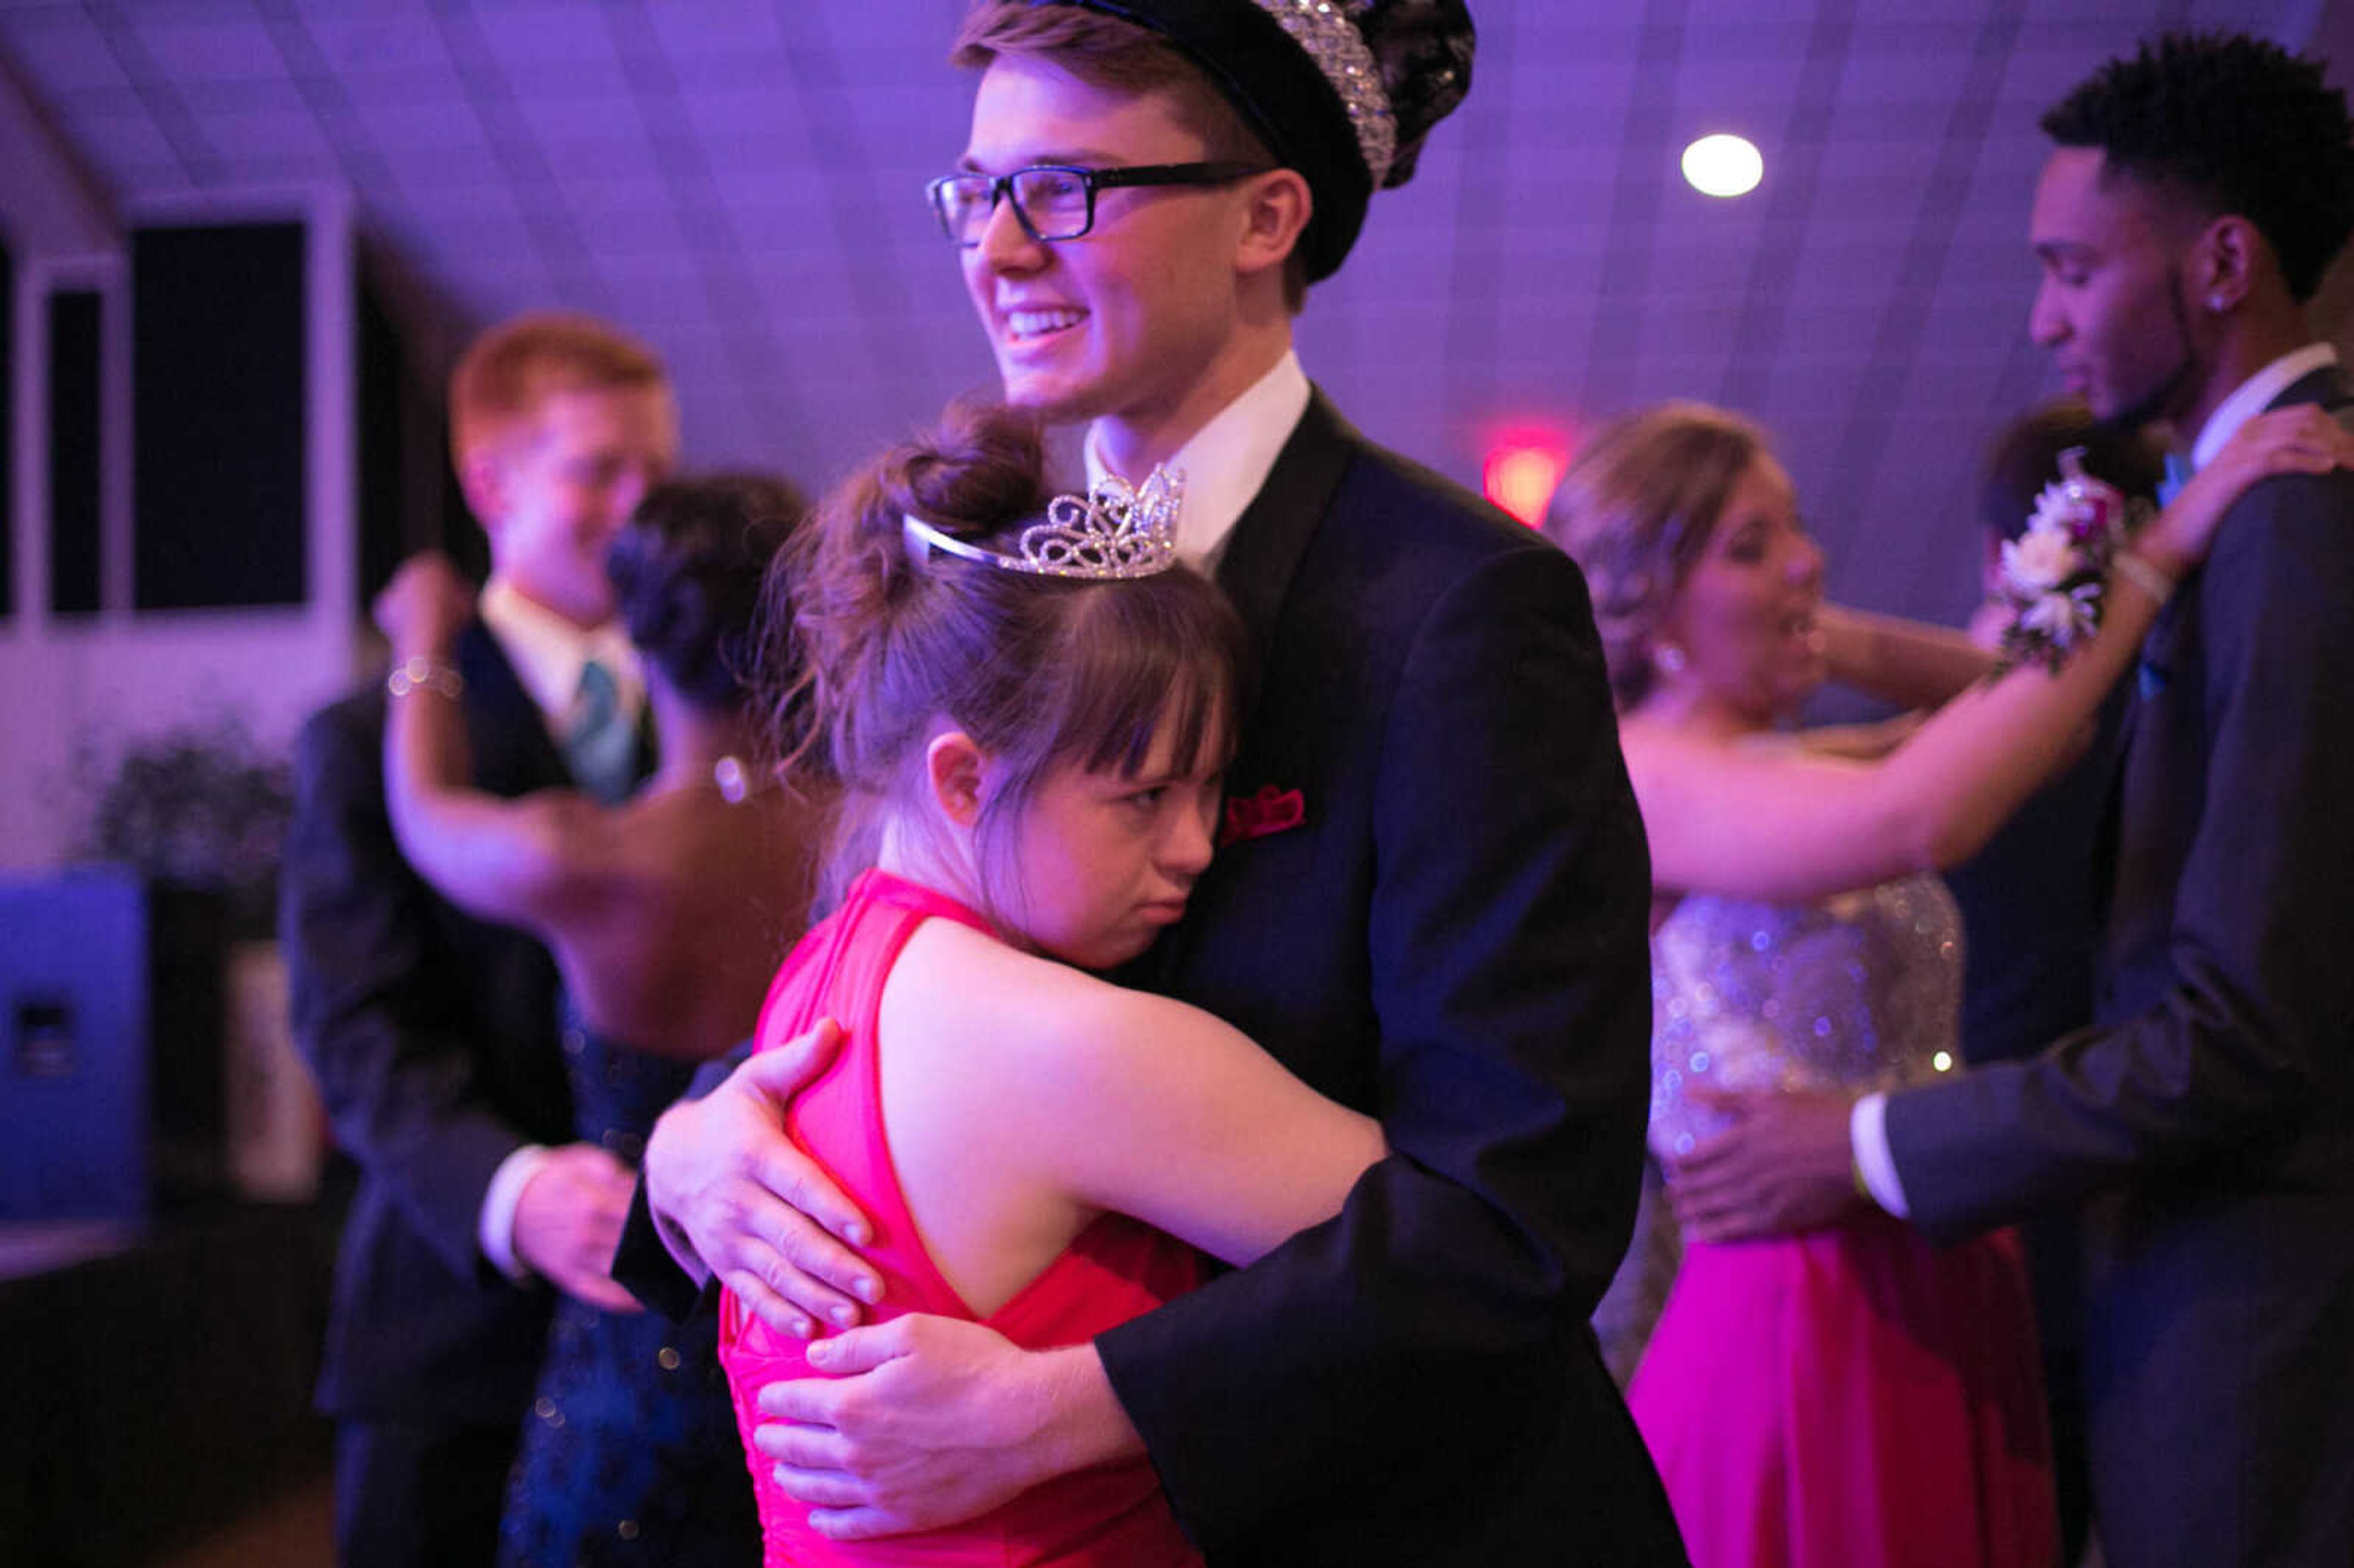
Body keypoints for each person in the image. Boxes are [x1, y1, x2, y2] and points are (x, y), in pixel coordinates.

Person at [615, 3, 1686, 1562]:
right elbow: (912, 968)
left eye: (1066, 192)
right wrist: (691, 1146)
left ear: (1269, 216)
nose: (996, 249)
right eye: (975, 193)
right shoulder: (1003, 577)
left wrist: (1055, 1408)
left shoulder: (1458, 606)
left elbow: (1521, 1211)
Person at [1664, 32, 2354, 1568]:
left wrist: (1867, 1142)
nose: (2042, 319)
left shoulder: (2293, 527)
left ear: (2224, 262)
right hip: (1861, 1302)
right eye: (1751, 548)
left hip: (2239, 1328)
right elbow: (1970, 730)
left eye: (2070, 270)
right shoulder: (2228, 527)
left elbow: (2246, 1028)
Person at [1545, 394, 2341, 1568]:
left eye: (1797, 529)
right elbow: (1928, 807)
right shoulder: (1645, 779)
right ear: (1651, 602)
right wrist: (2158, 556)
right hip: (1791, 1313)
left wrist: (1810, 619)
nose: (1807, 559)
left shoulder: (1776, 766)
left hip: (1940, 1276)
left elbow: (2011, 703)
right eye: (1751, 545)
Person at [717, 402, 1400, 1566]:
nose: (1197, 844)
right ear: (968, 779)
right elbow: (1449, 1249)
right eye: (1145, 795)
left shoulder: (815, 980)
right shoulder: (1064, 1042)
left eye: (1210, 787)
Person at [282, 310, 677, 1567]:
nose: (641, 508)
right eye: (599, 472)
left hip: (679, 1335)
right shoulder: (364, 739)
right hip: (456, 1330)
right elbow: (353, 1025)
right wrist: (518, 1193)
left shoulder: (720, 713)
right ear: (491, 483)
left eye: (659, 476)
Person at [371, 473, 818, 1567]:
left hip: (627, 1369)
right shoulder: (871, 839)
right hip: (805, 1362)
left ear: (639, 631)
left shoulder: (593, 857)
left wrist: (422, 639)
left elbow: (423, 813)